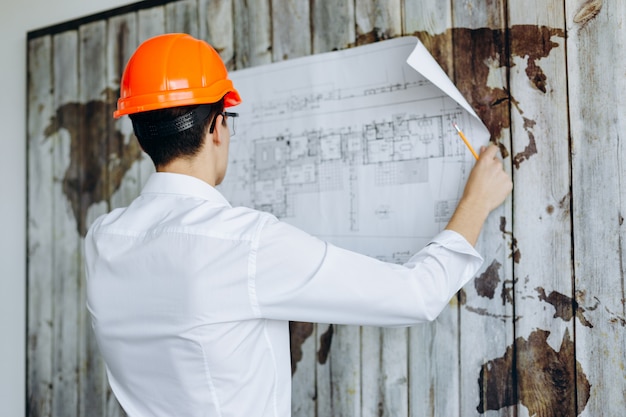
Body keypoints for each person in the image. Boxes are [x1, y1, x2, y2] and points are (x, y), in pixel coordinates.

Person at [85, 33, 512, 417]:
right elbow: (415, 296)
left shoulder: (103, 239)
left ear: (141, 135)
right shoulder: (242, 243)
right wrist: (476, 203)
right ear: (218, 126)